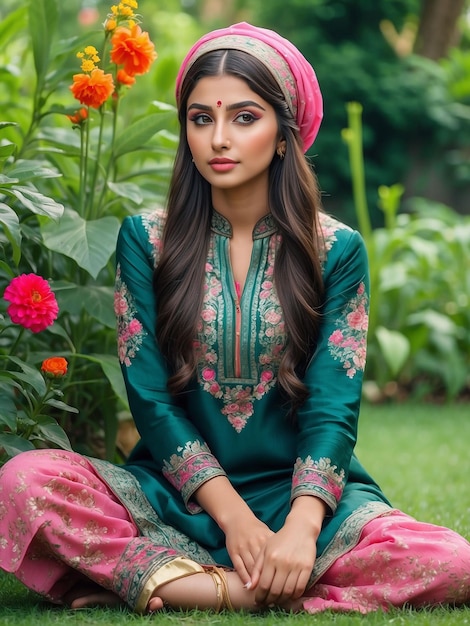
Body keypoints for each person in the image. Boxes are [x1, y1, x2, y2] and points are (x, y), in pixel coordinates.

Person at [0, 21, 469, 615]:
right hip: (174, 498)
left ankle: (175, 584)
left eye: (244, 118)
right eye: (202, 118)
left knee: (453, 561)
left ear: (282, 134)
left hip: (300, 498)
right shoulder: (147, 241)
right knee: (24, 481)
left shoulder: (335, 251)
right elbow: (150, 398)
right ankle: (253, 592)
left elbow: (332, 404)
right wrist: (235, 521)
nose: (219, 138)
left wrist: (299, 529)